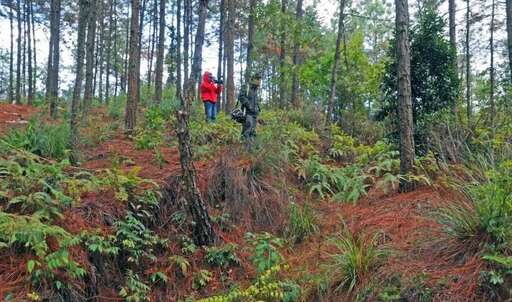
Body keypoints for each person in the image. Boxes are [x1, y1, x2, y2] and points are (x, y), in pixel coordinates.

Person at [239, 74, 262, 145]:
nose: (259, 81)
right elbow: (241, 97)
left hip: (254, 114)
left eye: (259, 79)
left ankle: (251, 149)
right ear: (253, 79)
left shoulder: (255, 89)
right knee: (247, 130)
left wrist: (258, 109)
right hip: (247, 113)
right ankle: (244, 148)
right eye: (257, 79)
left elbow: (256, 101)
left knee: (252, 131)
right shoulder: (246, 86)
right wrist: (249, 106)